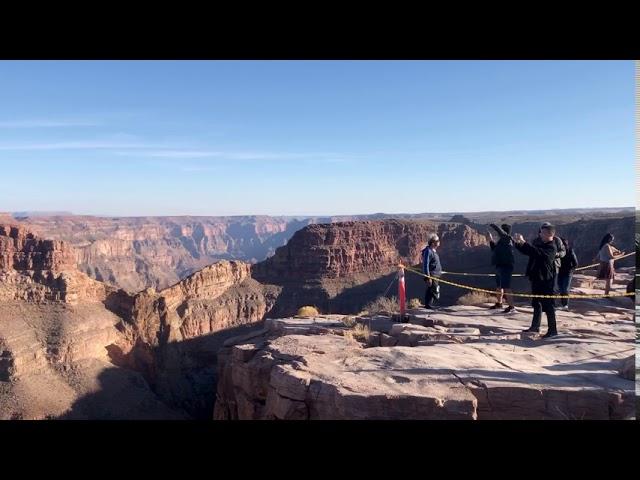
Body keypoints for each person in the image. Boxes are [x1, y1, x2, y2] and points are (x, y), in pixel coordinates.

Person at [513, 222, 560, 338]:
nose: (540, 234)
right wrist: (518, 243)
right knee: (536, 303)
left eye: (543, 232)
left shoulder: (551, 247)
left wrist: (524, 242)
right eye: (541, 232)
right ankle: (535, 327)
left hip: (546, 280)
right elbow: (530, 252)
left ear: (549, 234)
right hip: (537, 278)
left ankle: (553, 330)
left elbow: (538, 253)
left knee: (548, 305)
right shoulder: (542, 244)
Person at [487, 223, 515, 313]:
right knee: (499, 286)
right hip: (499, 266)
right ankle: (499, 303)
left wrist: (493, 225)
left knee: (506, 287)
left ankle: (511, 307)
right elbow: (494, 249)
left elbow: (501, 232)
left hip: (505, 266)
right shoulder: (502, 241)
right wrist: (490, 240)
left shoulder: (507, 238)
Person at [421, 234, 442, 310]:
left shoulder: (433, 251)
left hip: (435, 275)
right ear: (433, 243)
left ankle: (428, 305)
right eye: (437, 241)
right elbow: (425, 265)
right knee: (434, 290)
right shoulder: (428, 251)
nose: (439, 242)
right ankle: (429, 305)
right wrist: (428, 277)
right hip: (432, 275)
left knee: (430, 290)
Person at [557, 237, 578, 310]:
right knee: (560, 288)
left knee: (565, 289)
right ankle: (562, 304)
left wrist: (571, 270)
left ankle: (565, 305)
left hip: (567, 273)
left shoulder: (570, 251)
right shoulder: (559, 252)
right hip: (560, 273)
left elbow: (575, 263)